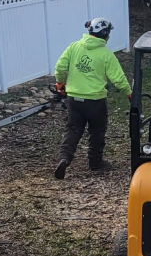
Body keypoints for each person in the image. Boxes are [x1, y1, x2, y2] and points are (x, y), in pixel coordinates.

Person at [53, 18, 131, 180]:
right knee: (97, 131)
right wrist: (129, 93)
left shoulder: (74, 47)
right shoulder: (105, 54)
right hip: (95, 102)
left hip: (74, 99)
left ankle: (64, 158)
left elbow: (60, 66)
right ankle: (95, 163)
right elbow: (118, 78)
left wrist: (60, 83)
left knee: (73, 129)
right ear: (105, 34)